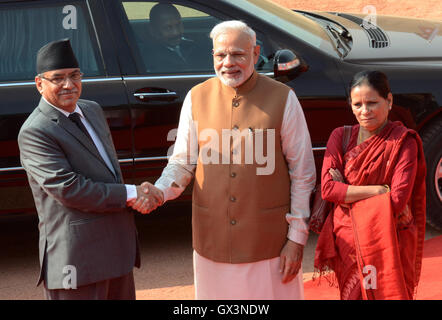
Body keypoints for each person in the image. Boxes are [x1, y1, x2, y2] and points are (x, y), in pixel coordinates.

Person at [144, 20, 316, 299]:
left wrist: (296, 239)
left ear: (255, 52)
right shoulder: (196, 97)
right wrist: (160, 191)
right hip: (212, 242)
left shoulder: (283, 98)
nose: (228, 63)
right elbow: (182, 162)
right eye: (220, 55)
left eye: (238, 54)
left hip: (268, 243)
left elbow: (303, 172)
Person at [18, 39, 163, 300]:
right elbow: (70, 189)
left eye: (74, 76)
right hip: (77, 261)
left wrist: (133, 195)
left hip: (116, 252)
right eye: (58, 78)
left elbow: (107, 173)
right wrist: (133, 193)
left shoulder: (92, 110)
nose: (68, 85)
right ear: (40, 84)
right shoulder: (35, 131)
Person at [314, 70, 427, 300]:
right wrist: (379, 190)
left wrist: (345, 193)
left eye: (372, 103)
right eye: (358, 104)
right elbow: (327, 189)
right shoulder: (340, 136)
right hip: (347, 238)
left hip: (389, 236)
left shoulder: (403, 142)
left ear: (390, 101)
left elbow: (396, 202)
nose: (364, 111)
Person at [140, 3, 211, 72]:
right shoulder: (151, 58)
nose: (176, 32)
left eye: (178, 25)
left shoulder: (188, 45)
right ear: (153, 30)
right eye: (168, 28)